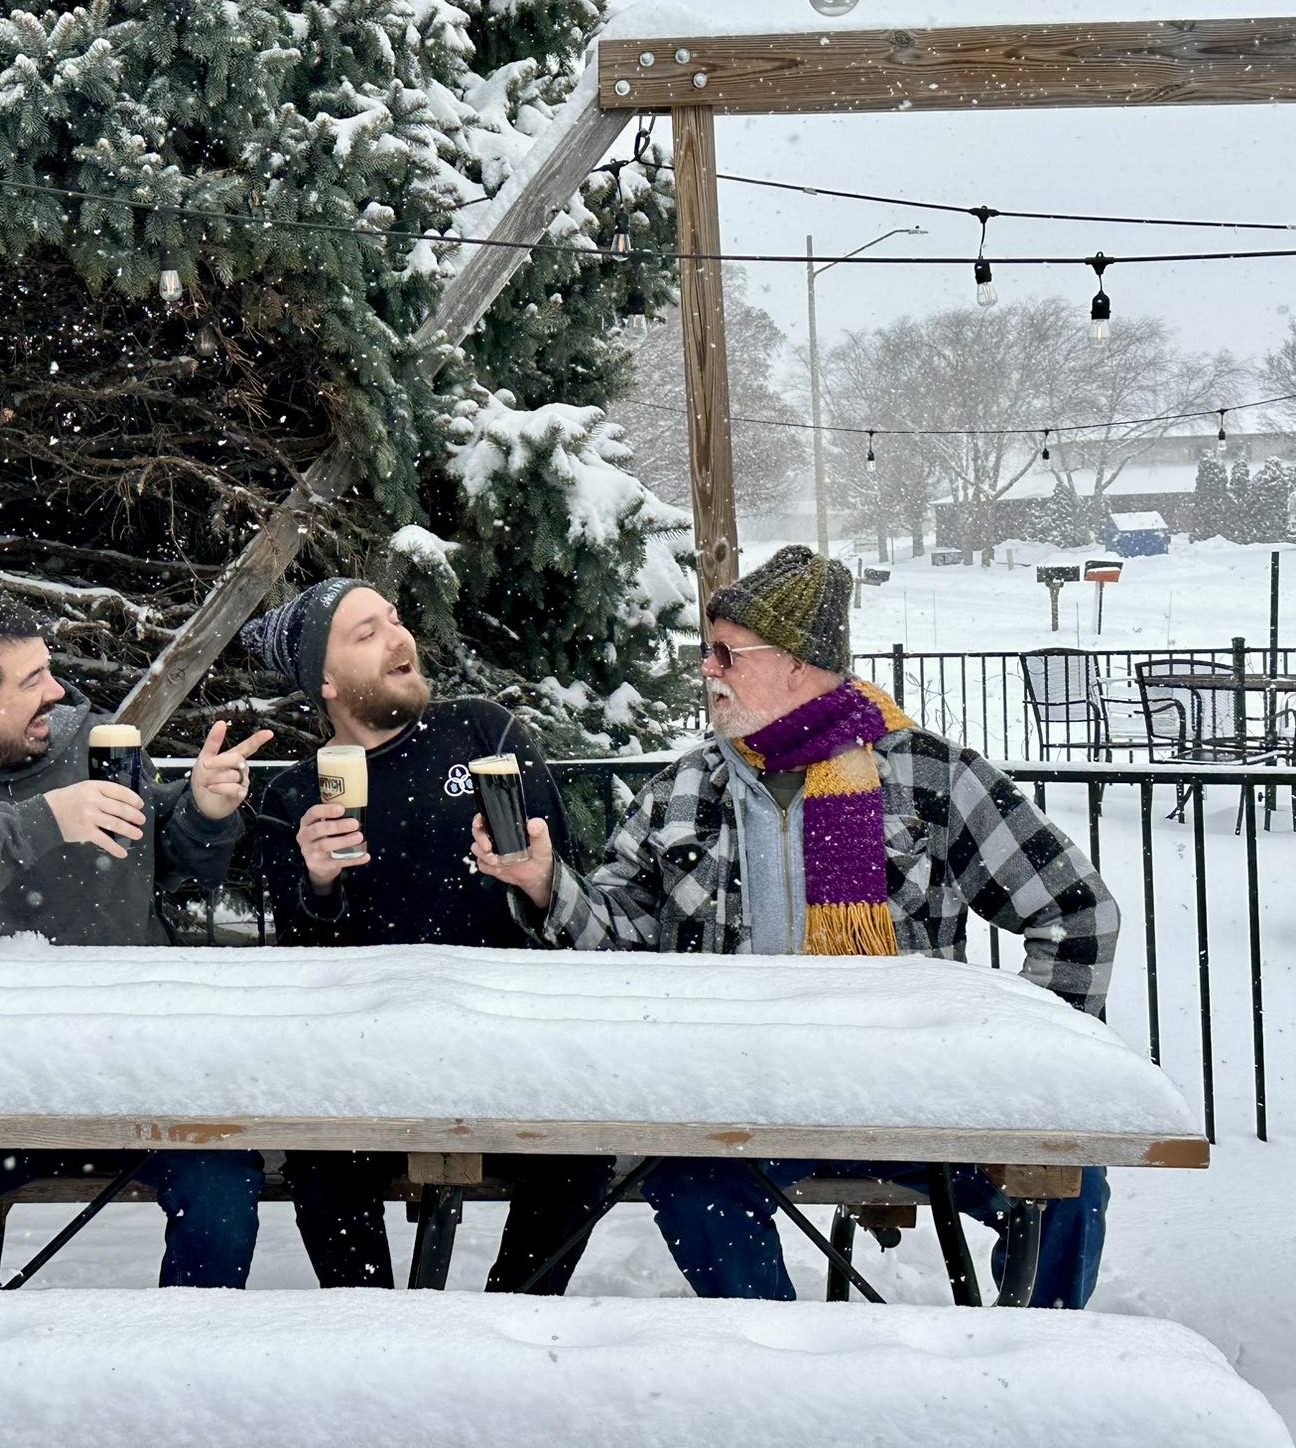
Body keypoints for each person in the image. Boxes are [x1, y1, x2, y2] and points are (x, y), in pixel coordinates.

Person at [474, 545, 1119, 1309]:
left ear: (798, 665)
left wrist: (1023, 1065)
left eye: (726, 653)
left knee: (1069, 1188)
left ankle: (1039, 1379)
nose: (707, 670)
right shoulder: (684, 788)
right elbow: (619, 944)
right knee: (689, 1187)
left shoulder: (929, 776)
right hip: (745, 1098)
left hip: (915, 1094)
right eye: (705, 651)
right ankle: (787, 1373)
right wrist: (546, 885)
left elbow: (1076, 913)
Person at [0, 589, 273, 1289]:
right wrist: (40, 821)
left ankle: (186, 1367)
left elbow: (173, 860)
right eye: (31, 680)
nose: (58, 691)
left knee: (223, 1186)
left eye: (49, 669)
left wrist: (205, 815)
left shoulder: (92, 745)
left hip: (137, 1066)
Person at [243, 577, 614, 1294]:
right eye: (366, 633)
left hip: (508, 1047)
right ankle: (377, 1335)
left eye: (394, 619)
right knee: (317, 1153)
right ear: (325, 680)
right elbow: (297, 974)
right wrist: (317, 884)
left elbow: (574, 916)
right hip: (364, 1065)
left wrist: (535, 879)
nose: (398, 637)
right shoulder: (296, 797)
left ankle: (515, 1316)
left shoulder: (484, 734)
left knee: (587, 1147)